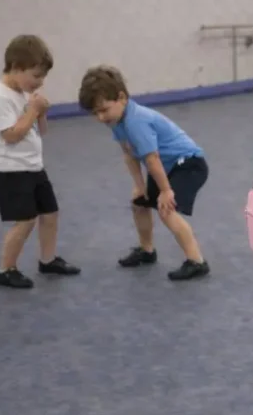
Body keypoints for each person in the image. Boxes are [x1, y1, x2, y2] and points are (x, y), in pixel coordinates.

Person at [77, 65, 210, 281]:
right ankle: (147, 251)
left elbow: (151, 158)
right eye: (95, 113)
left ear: (121, 97)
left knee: (166, 209)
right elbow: (130, 155)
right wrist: (140, 186)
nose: (100, 118)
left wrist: (166, 191)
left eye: (103, 110)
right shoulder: (117, 120)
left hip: (188, 164)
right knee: (138, 202)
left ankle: (196, 262)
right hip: (165, 165)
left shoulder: (135, 121)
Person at [0, 34, 81, 289]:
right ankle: (5, 269)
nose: (39, 82)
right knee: (25, 220)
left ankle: (47, 260)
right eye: (36, 76)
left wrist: (41, 114)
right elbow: (11, 135)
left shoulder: (24, 92)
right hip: (10, 169)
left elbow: (41, 131)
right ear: (17, 68)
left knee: (50, 213)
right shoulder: (0, 97)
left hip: (32, 166)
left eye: (42, 77)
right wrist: (33, 111)